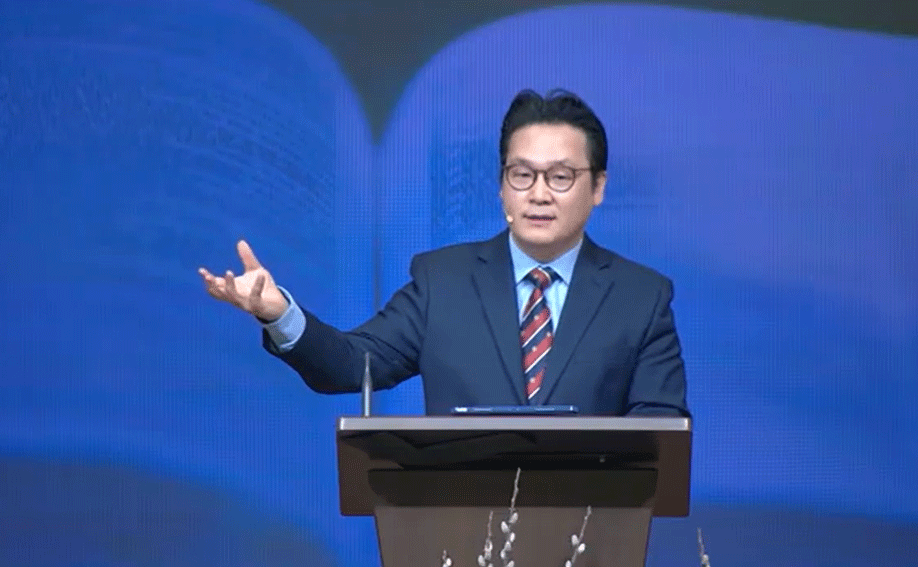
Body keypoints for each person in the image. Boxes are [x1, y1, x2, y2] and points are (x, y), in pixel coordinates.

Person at [199, 89, 689, 417]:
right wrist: (278, 313)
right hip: (460, 525)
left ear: (598, 186)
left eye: (560, 177)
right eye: (522, 175)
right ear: (501, 186)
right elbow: (350, 365)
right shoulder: (444, 281)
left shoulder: (641, 298)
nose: (539, 194)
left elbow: (661, 434)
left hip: (593, 528)